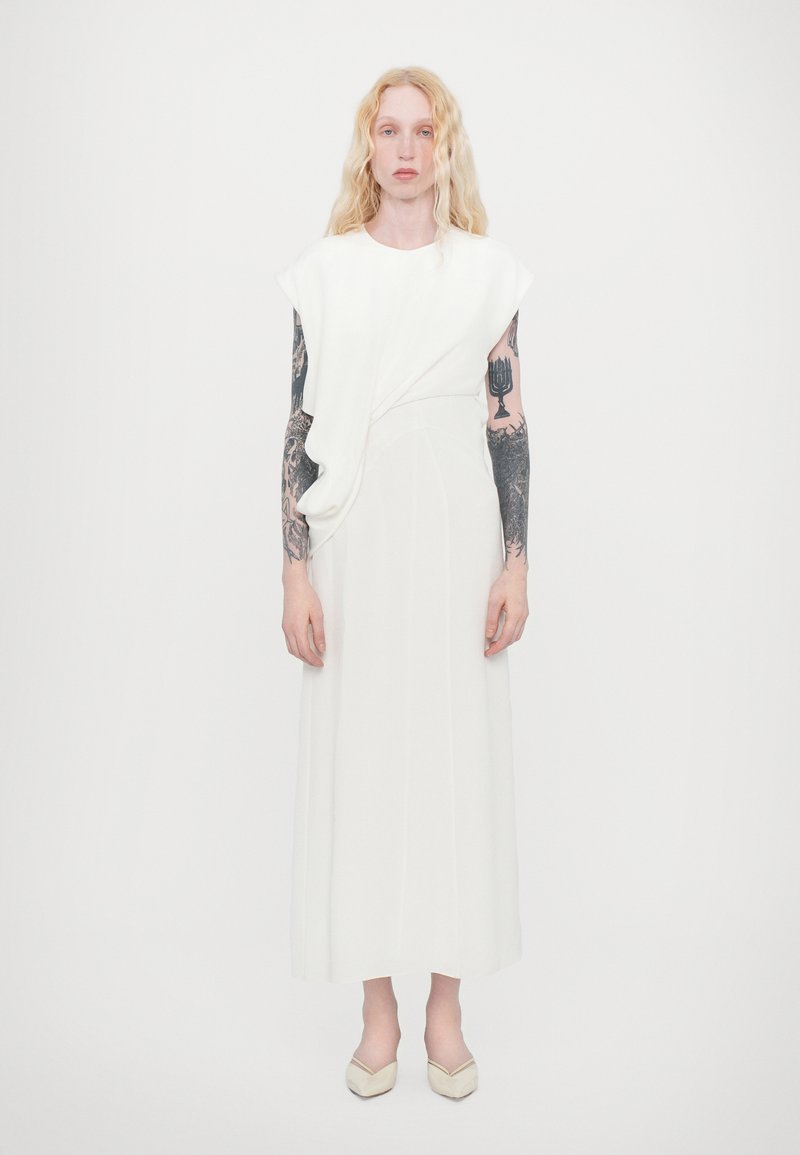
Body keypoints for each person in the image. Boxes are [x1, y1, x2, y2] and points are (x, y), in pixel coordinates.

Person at [276, 66, 534, 1100]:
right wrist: (294, 569)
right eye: (389, 130)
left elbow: (507, 420)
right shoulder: (325, 273)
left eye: (424, 131)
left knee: (453, 754)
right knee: (367, 756)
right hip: (355, 540)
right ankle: (377, 1008)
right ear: (367, 147)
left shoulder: (486, 273)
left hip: (457, 535)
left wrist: (515, 559)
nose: (406, 149)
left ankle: (445, 1008)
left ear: (445, 147)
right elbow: (298, 425)